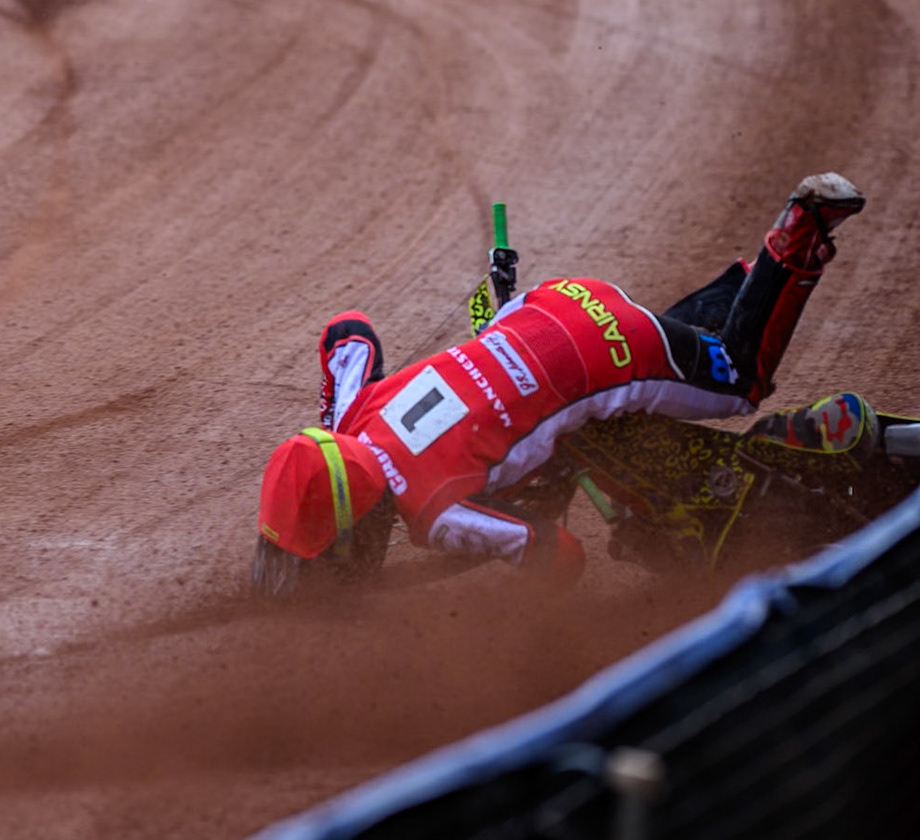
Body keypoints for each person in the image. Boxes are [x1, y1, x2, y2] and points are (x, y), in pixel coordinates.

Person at [255, 174, 867, 591]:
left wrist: (523, 629)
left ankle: (800, 234)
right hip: (552, 306)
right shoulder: (354, 415)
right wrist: (334, 425)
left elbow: (563, 558)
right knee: (675, 351)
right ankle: (755, 281)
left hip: (610, 351)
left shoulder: (434, 515)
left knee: (739, 378)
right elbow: (348, 331)